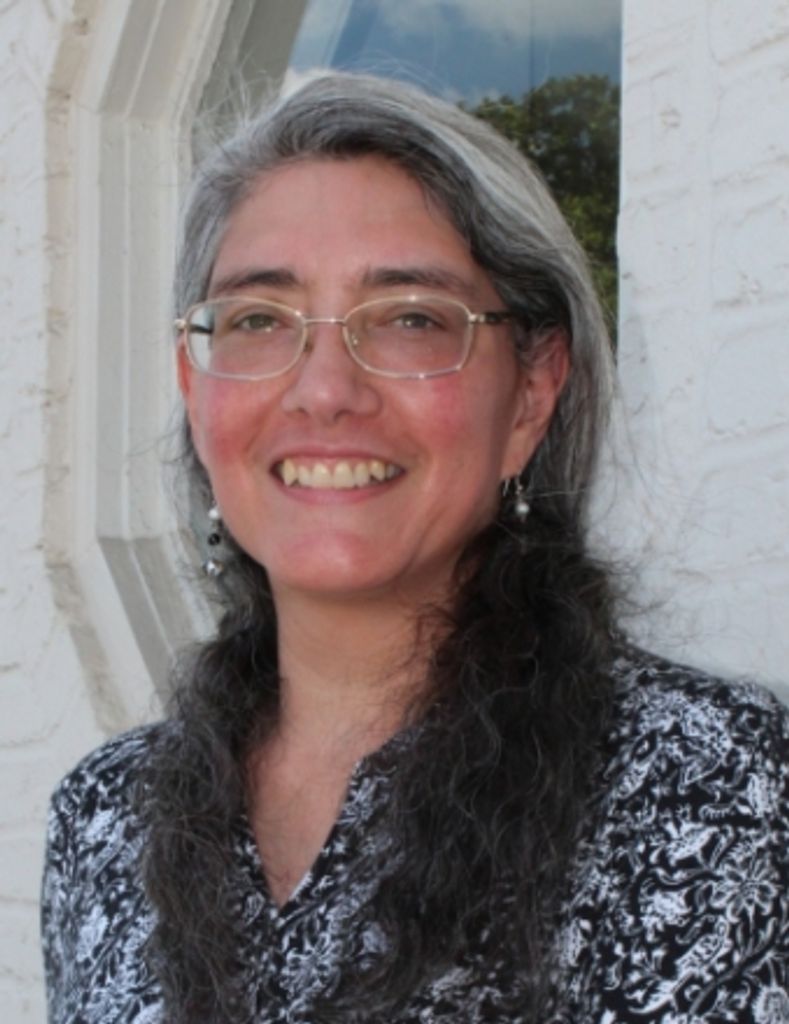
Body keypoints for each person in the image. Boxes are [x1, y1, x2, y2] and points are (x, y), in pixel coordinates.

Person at [41, 72, 788, 1024]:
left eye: (409, 318)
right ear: (196, 392)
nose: (324, 391)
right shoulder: (106, 817)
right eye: (259, 319)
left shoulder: (711, 788)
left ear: (531, 394)